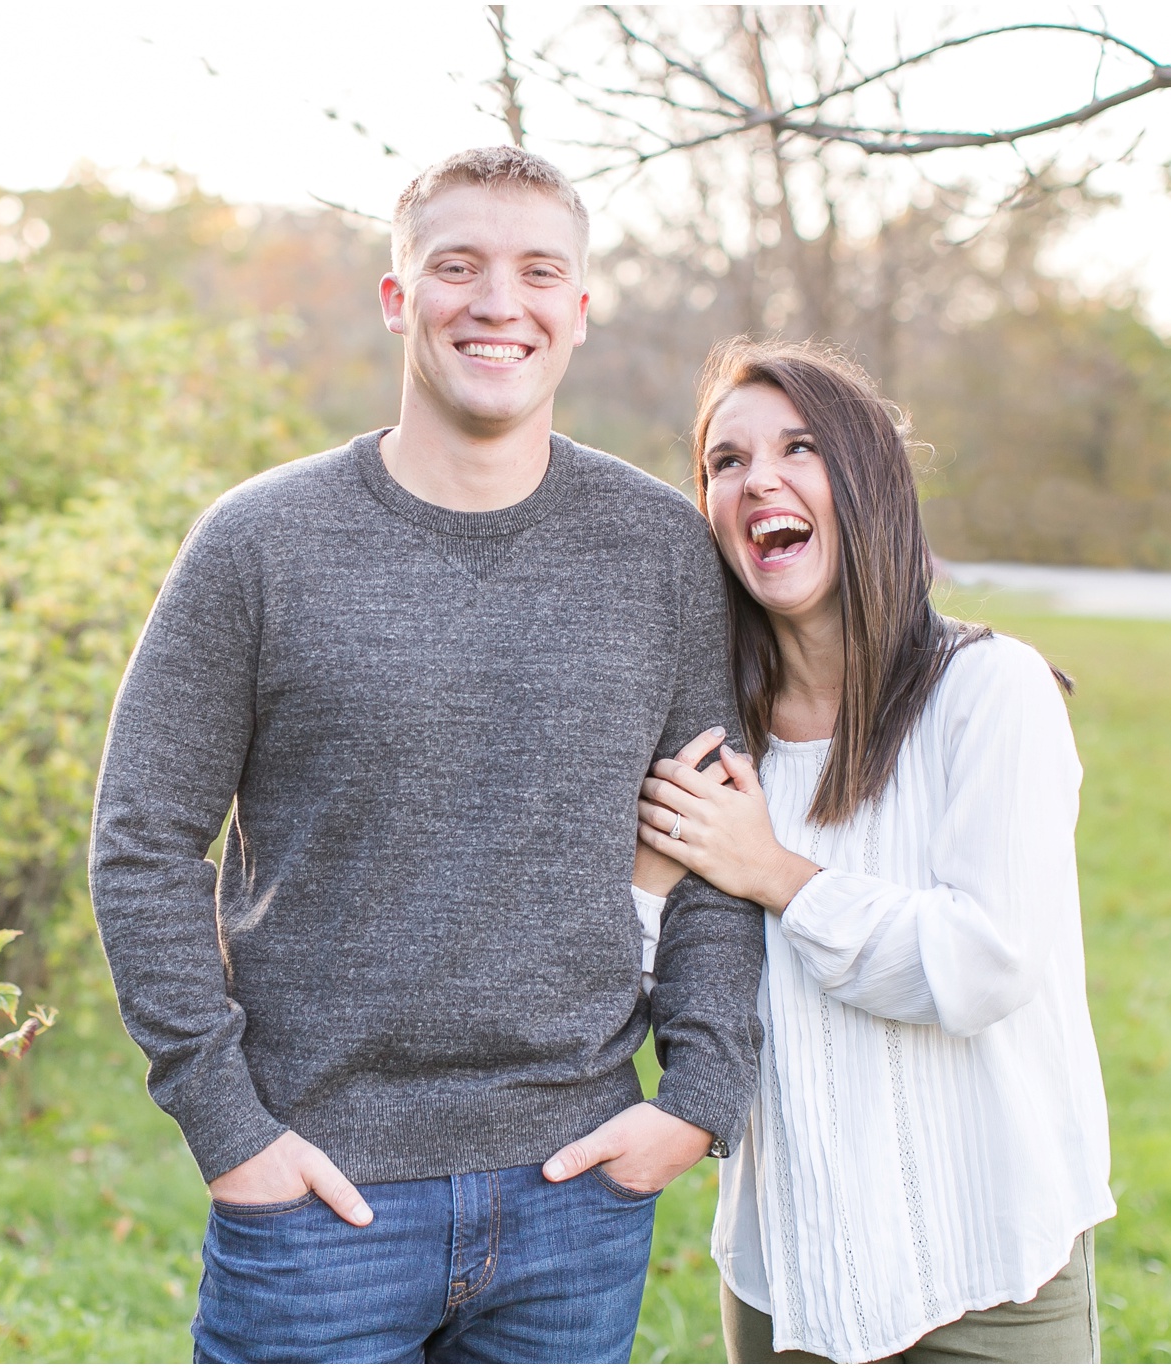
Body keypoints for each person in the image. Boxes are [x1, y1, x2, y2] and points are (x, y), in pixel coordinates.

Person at [87, 148, 765, 1364]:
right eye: (457, 267)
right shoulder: (260, 543)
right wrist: (224, 1121)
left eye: (536, 272)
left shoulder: (659, 549)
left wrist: (696, 1105)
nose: (497, 302)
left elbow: (711, 840)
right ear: (399, 298)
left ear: (578, 309)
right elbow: (142, 839)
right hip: (317, 1195)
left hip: (575, 1198)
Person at [633, 340, 1115, 1363]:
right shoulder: (711, 741)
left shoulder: (991, 692)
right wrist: (649, 879)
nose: (756, 476)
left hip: (987, 1278)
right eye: (725, 461)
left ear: (870, 483)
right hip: (783, 1287)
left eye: (797, 447)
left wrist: (773, 872)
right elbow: (626, 981)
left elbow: (982, 961)